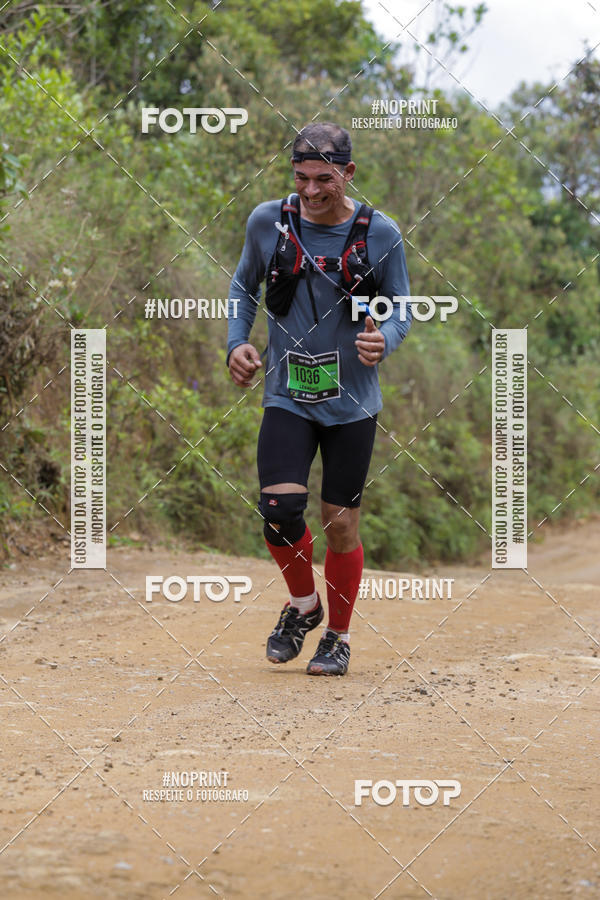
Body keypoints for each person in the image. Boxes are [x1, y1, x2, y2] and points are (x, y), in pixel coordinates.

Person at [226, 122, 410, 676]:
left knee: (340, 523)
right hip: (286, 393)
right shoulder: (268, 222)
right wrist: (237, 342)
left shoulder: (380, 234)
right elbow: (242, 287)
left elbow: (402, 304)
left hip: (352, 402)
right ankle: (304, 606)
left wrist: (386, 337)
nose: (310, 191)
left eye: (323, 179)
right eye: (301, 178)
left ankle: (339, 636)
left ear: (348, 173)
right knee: (279, 512)